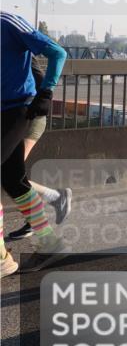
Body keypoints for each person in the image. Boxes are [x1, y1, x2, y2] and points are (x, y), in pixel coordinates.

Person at [1, 12, 68, 276]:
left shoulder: (7, 22)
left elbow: (57, 53)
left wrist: (46, 92)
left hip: (16, 110)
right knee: (13, 179)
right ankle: (50, 242)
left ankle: (2, 260)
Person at [7, 58, 73, 242]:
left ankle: (52, 201)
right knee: (11, 173)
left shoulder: (19, 51)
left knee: (11, 174)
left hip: (29, 117)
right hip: (13, 119)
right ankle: (52, 201)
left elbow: (41, 78)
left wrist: (41, 99)